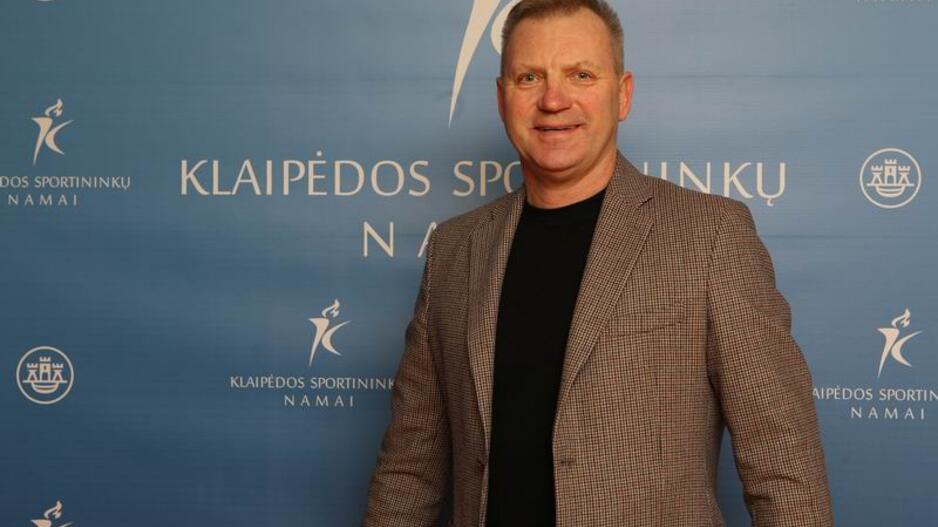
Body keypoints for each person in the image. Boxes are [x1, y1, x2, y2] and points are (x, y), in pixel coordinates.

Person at [363, 0, 833, 525]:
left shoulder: (710, 237)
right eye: (529, 77)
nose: (553, 100)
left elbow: (783, 465)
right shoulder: (454, 250)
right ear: (502, 99)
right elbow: (409, 469)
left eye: (581, 75)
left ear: (623, 94)